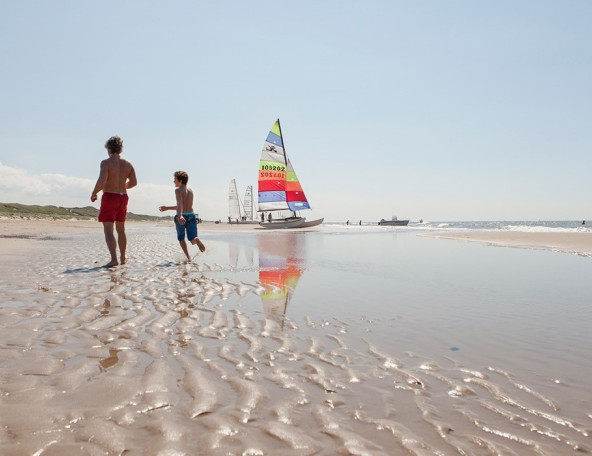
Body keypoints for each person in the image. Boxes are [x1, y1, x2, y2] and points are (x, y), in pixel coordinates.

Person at [91, 136, 137, 268]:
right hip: (123, 197)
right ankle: (123, 257)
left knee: (109, 230)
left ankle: (114, 259)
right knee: (121, 230)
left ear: (109, 148)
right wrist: (122, 186)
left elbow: (102, 181)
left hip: (110, 196)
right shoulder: (128, 164)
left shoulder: (106, 163)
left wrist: (94, 192)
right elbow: (134, 182)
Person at [159, 170, 206, 262]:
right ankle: (196, 239)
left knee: (181, 238)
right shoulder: (190, 191)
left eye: (175, 179)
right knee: (192, 238)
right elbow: (182, 205)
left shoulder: (178, 191)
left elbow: (180, 204)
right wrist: (167, 208)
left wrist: (180, 215)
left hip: (182, 216)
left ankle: (188, 257)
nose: (174, 181)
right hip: (192, 215)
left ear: (180, 181)